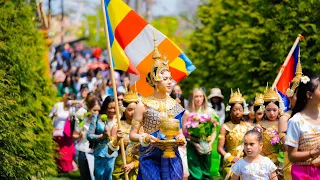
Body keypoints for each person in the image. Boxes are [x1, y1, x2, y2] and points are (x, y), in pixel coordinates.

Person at [129, 37, 186, 180]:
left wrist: (181, 138)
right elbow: (132, 135)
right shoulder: (143, 105)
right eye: (165, 78)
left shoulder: (175, 105)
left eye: (170, 78)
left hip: (171, 154)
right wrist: (146, 137)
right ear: (155, 80)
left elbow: (179, 132)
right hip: (150, 155)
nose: (170, 82)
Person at [285, 75, 320, 179]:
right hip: (304, 174)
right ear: (309, 94)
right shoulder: (296, 121)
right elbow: (292, 156)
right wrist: (315, 152)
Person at [183, 88, 220, 179]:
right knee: (196, 174)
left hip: (206, 146)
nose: (198, 99)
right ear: (192, 98)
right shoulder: (187, 113)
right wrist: (195, 144)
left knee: (206, 173)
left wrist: (209, 144)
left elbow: (214, 131)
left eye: (201, 96)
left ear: (204, 98)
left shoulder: (210, 112)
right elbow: (185, 132)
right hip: (192, 146)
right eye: (196, 96)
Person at [218, 89, 249, 178]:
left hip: (244, 161)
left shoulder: (246, 127)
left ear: (243, 111)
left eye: (240, 109)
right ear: (230, 111)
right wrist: (230, 158)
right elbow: (220, 148)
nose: (237, 112)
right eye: (234, 110)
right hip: (230, 163)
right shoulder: (225, 127)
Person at [112, 86, 140, 180]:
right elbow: (110, 150)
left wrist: (133, 164)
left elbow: (146, 152)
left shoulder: (142, 127)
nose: (133, 113)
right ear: (124, 110)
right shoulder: (118, 126)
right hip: (121, 166)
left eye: (135, 110)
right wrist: (117, 140)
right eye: (130, 110)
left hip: (138, 167)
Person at [86, 96, 118, 180]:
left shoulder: (119, 119)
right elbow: (89, 135)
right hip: (100, 153)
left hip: (113, 154)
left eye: (114, 108)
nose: (112, 110)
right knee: (99, 175)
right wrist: (102, 136)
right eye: (110, 108)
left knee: (111, 176)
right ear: (105, 106)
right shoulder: (97, 118)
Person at [73, 98, 101, 180]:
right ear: (88, 108)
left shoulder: (100, 122)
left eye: (98, 110)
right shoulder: (83, 121)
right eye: (94, 110)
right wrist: (80, 136)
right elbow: (74, 135)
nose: (96, 113)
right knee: (85, 176)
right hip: (84, 150)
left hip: (97, 151)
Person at [49, 93, 77, 173]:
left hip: (67, 133)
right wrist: (54, 115)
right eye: (68, 99)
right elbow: (50, 115)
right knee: (60, 151)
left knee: (69, 150)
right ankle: (60, 168)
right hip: (58, 131)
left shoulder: (72, 109)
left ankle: (69, 168)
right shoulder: (58, 105)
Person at [257, 86, 282, 166]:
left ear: (279, 109)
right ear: (264, 110)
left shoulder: (284, 123)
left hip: (283, 162)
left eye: (274, 110)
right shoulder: (260, 126)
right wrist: (267, 162)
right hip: (265, 162)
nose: (271, 113)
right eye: (268, 110)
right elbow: (257, 147)